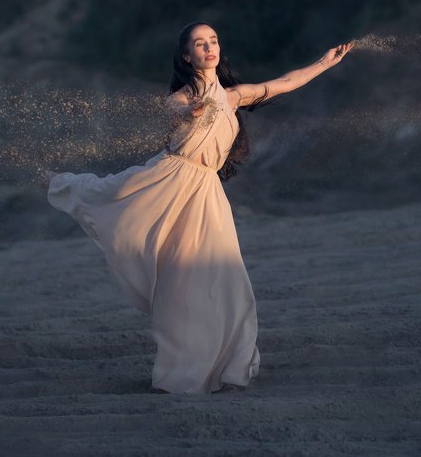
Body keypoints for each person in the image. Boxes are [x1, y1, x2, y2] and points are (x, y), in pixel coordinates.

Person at [40, 22, 354, 394]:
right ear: (187, 55)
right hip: (168, 182)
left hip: (206, 194)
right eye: (200, 44)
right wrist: (191, 110)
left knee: (228, 281)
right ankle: (56, 182)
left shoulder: (234, 96)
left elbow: (285, 82)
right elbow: (176, 107)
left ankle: (228, 366)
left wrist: (324, 63)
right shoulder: (184, 96)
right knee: (164, 263)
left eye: (214, 41)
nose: (209, 48)